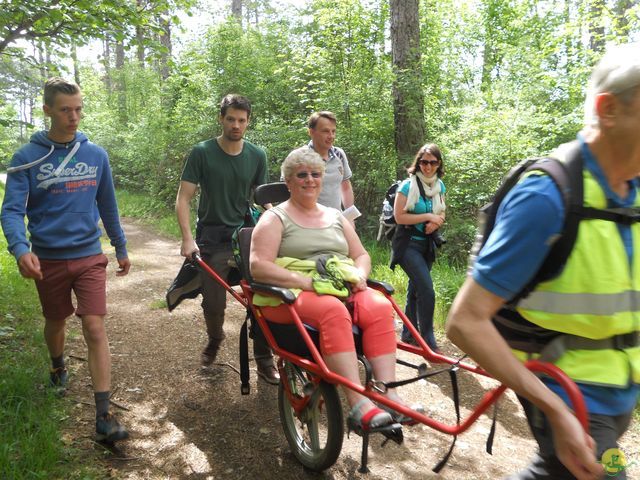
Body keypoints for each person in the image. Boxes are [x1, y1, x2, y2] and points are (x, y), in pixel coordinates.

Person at [446, 43, 640, 480]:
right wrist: (555, 409)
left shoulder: (632, 193)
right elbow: (465, 322)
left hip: (620, 388)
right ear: (609, 109)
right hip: (569, 392)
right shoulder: (547, 197)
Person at [250, 147, 422, 429]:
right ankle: (357, 405)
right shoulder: (275, 218)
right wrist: (308, 283)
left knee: (379, 306)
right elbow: (259, 266)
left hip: (340, 284)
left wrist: (359, 277)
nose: (309, 180)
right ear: (288, 182)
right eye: (301, 175)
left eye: (315, 174)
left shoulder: (335, 216)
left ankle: (389, 395)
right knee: (331, 309)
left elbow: (362, 255)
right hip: (290, 295)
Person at [0, 77, 131, 443]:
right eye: (65, 110)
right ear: (47, 110)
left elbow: (107, 204)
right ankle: (58, 365)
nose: (74, 117)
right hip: (48, 260)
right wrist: (20, 249)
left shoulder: (96, 155)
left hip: (89, 255)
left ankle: (103, 416)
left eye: (78, 109)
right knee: (55, 322)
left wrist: (119, 247)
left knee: (94, 327)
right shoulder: (27, 158)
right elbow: (11, 211)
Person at [176, 94, 279, 384]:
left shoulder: (257, 155)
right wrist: (187, 239)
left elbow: (263, 200)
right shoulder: (202, 152)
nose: (236, 125)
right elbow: (183, 198)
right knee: (213, 302)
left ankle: (264, 360)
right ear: (221, 118)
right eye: (231, 119)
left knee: (263, 296)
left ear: (248, 122)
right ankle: (215, 337)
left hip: (246, 234)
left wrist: (280, 224)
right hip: (211, 235)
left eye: (242, 120)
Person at [390, 144, 446, 352]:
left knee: (415, 289)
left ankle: (408, 333)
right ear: (418, 163)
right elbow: (399, 216)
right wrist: (428, 217)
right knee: (426, 290)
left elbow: (442, 212)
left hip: (427, 245)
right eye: (424, 162)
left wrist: (437, 222)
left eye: (433, 162)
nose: (428, 167)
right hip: (408, 245)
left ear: (438, 164)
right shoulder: (407, 186)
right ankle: (428, 337)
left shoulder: (439, 186)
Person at [306, 111, 355, 211]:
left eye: (333, 131)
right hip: (308, 223)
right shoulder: (300, 157)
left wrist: (350, 216)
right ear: (311, 132)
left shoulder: (339, 155)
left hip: (336, 221)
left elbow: (345, 188)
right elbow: (288, 192)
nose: (331, 136)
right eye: (325, 131)